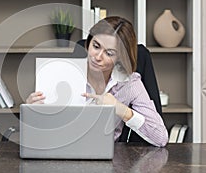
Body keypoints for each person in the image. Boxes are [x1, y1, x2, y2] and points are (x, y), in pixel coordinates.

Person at [26, 16, 168, 147]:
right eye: (96, 46)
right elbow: (41, 134)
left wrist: (122, 110)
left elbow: (161, 138)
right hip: (64, 152)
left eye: (109, 53)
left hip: (108, 160)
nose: (98, 57)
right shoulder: (62, 74)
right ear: (88, 43)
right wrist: (32, 113)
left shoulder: (130, 85)